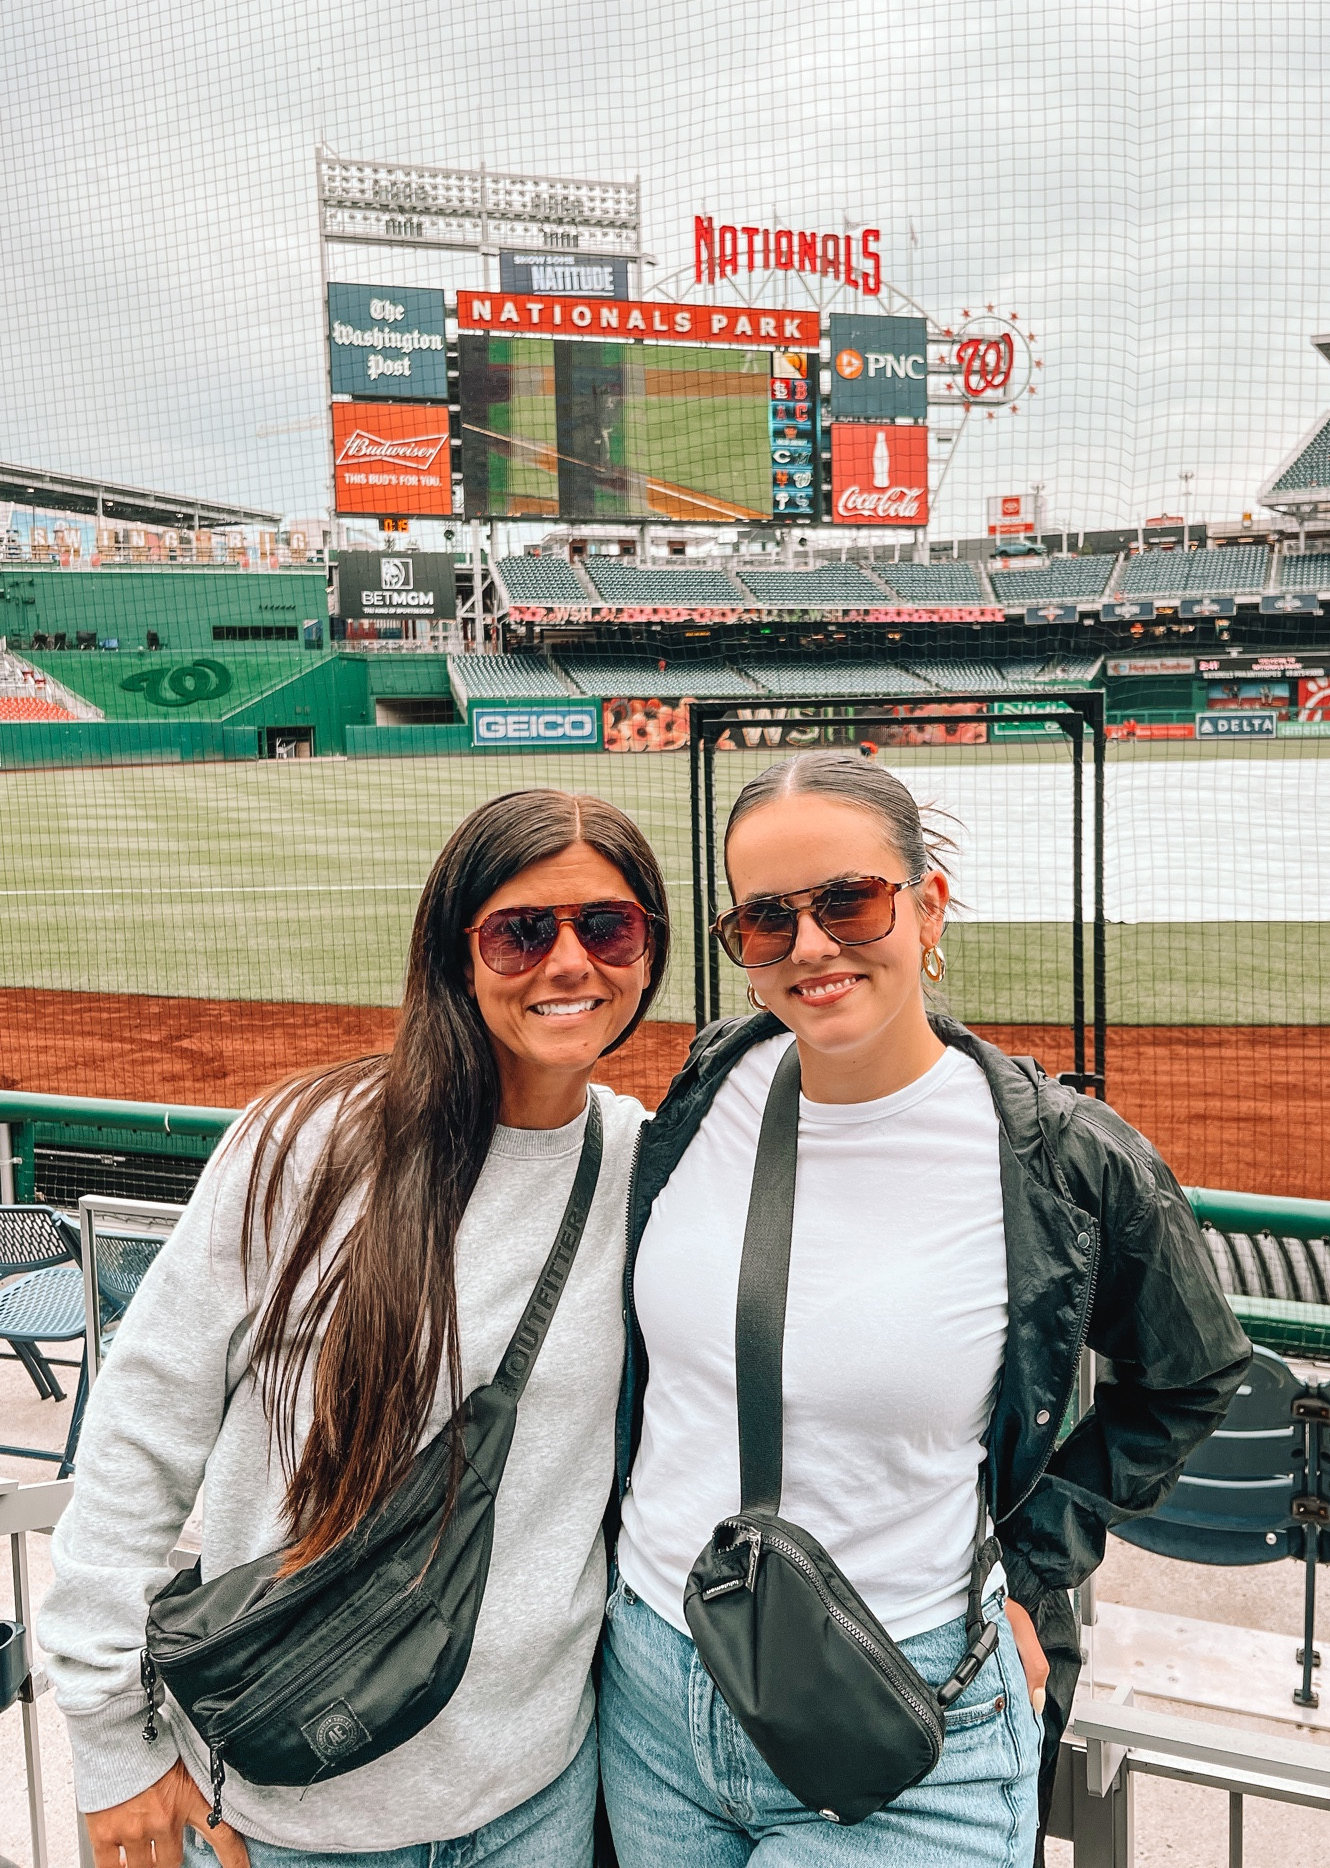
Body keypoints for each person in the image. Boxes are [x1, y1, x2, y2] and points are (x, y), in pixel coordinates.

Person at [599, 751, 1248, 1866]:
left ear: (927, 904)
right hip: (652, 1693)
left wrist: (1030, 1566)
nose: (812, 946)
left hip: (907, 1714)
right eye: (766, 920)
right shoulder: (710, 1085)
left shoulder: (1064, 1154)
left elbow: (1191, 1375)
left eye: (849, 900)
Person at [41, 789, 669, 1868]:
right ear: (453, 952)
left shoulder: (643, 1164)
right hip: (288, 1814)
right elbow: (141, 1428)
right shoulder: (306, 1146)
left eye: (607, 926)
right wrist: (111, 1739)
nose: (571, 962)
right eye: (522, 931)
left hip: (534, 1802)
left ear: (648, 949)